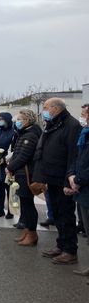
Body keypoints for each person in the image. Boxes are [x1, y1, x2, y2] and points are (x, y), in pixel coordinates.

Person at [34, 98, 82, 264]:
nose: (44, 111)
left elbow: (73, 155)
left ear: (55, 108)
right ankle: (61, 245)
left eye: (46, 107)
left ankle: (70, 250)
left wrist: (69, 181)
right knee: (57, 215)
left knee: (66, 215)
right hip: (52, 178)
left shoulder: (71, 125)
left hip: (63, 179)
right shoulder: (53, 123)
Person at [5, 109, 42, 246]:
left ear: (27, 121)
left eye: (20, 119)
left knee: (28, 205)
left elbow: (23, 156)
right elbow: (17, 153)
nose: (17, 121)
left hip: (26, 174)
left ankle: (32, 234)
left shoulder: (30, 135)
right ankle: (27, 231)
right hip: (20, 173)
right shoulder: (24, 133)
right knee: (25, 205)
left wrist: (10, 167)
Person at [69, 104, 89, 276]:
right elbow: (79, 158)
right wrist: (73, 177)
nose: (82, 117)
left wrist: (79, 180)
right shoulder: (85, 134)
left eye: (84, 114)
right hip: (82, 187)